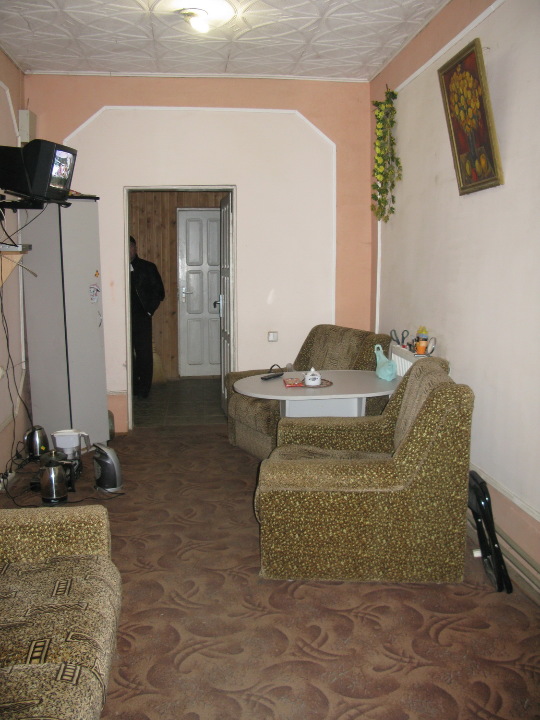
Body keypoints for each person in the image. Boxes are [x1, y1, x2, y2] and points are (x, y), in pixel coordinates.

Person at [129, 235, 165, 398]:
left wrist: (149, 311)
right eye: (126, 247)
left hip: (141, 317)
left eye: (131, 247)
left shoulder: (147, 267)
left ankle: (144, 389)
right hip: (122, 319)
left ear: (135, 248)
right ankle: (131, 387)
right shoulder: (115, 267)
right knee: (126, 354)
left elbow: (159, 293)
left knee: (144, 354)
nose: (129, 251)